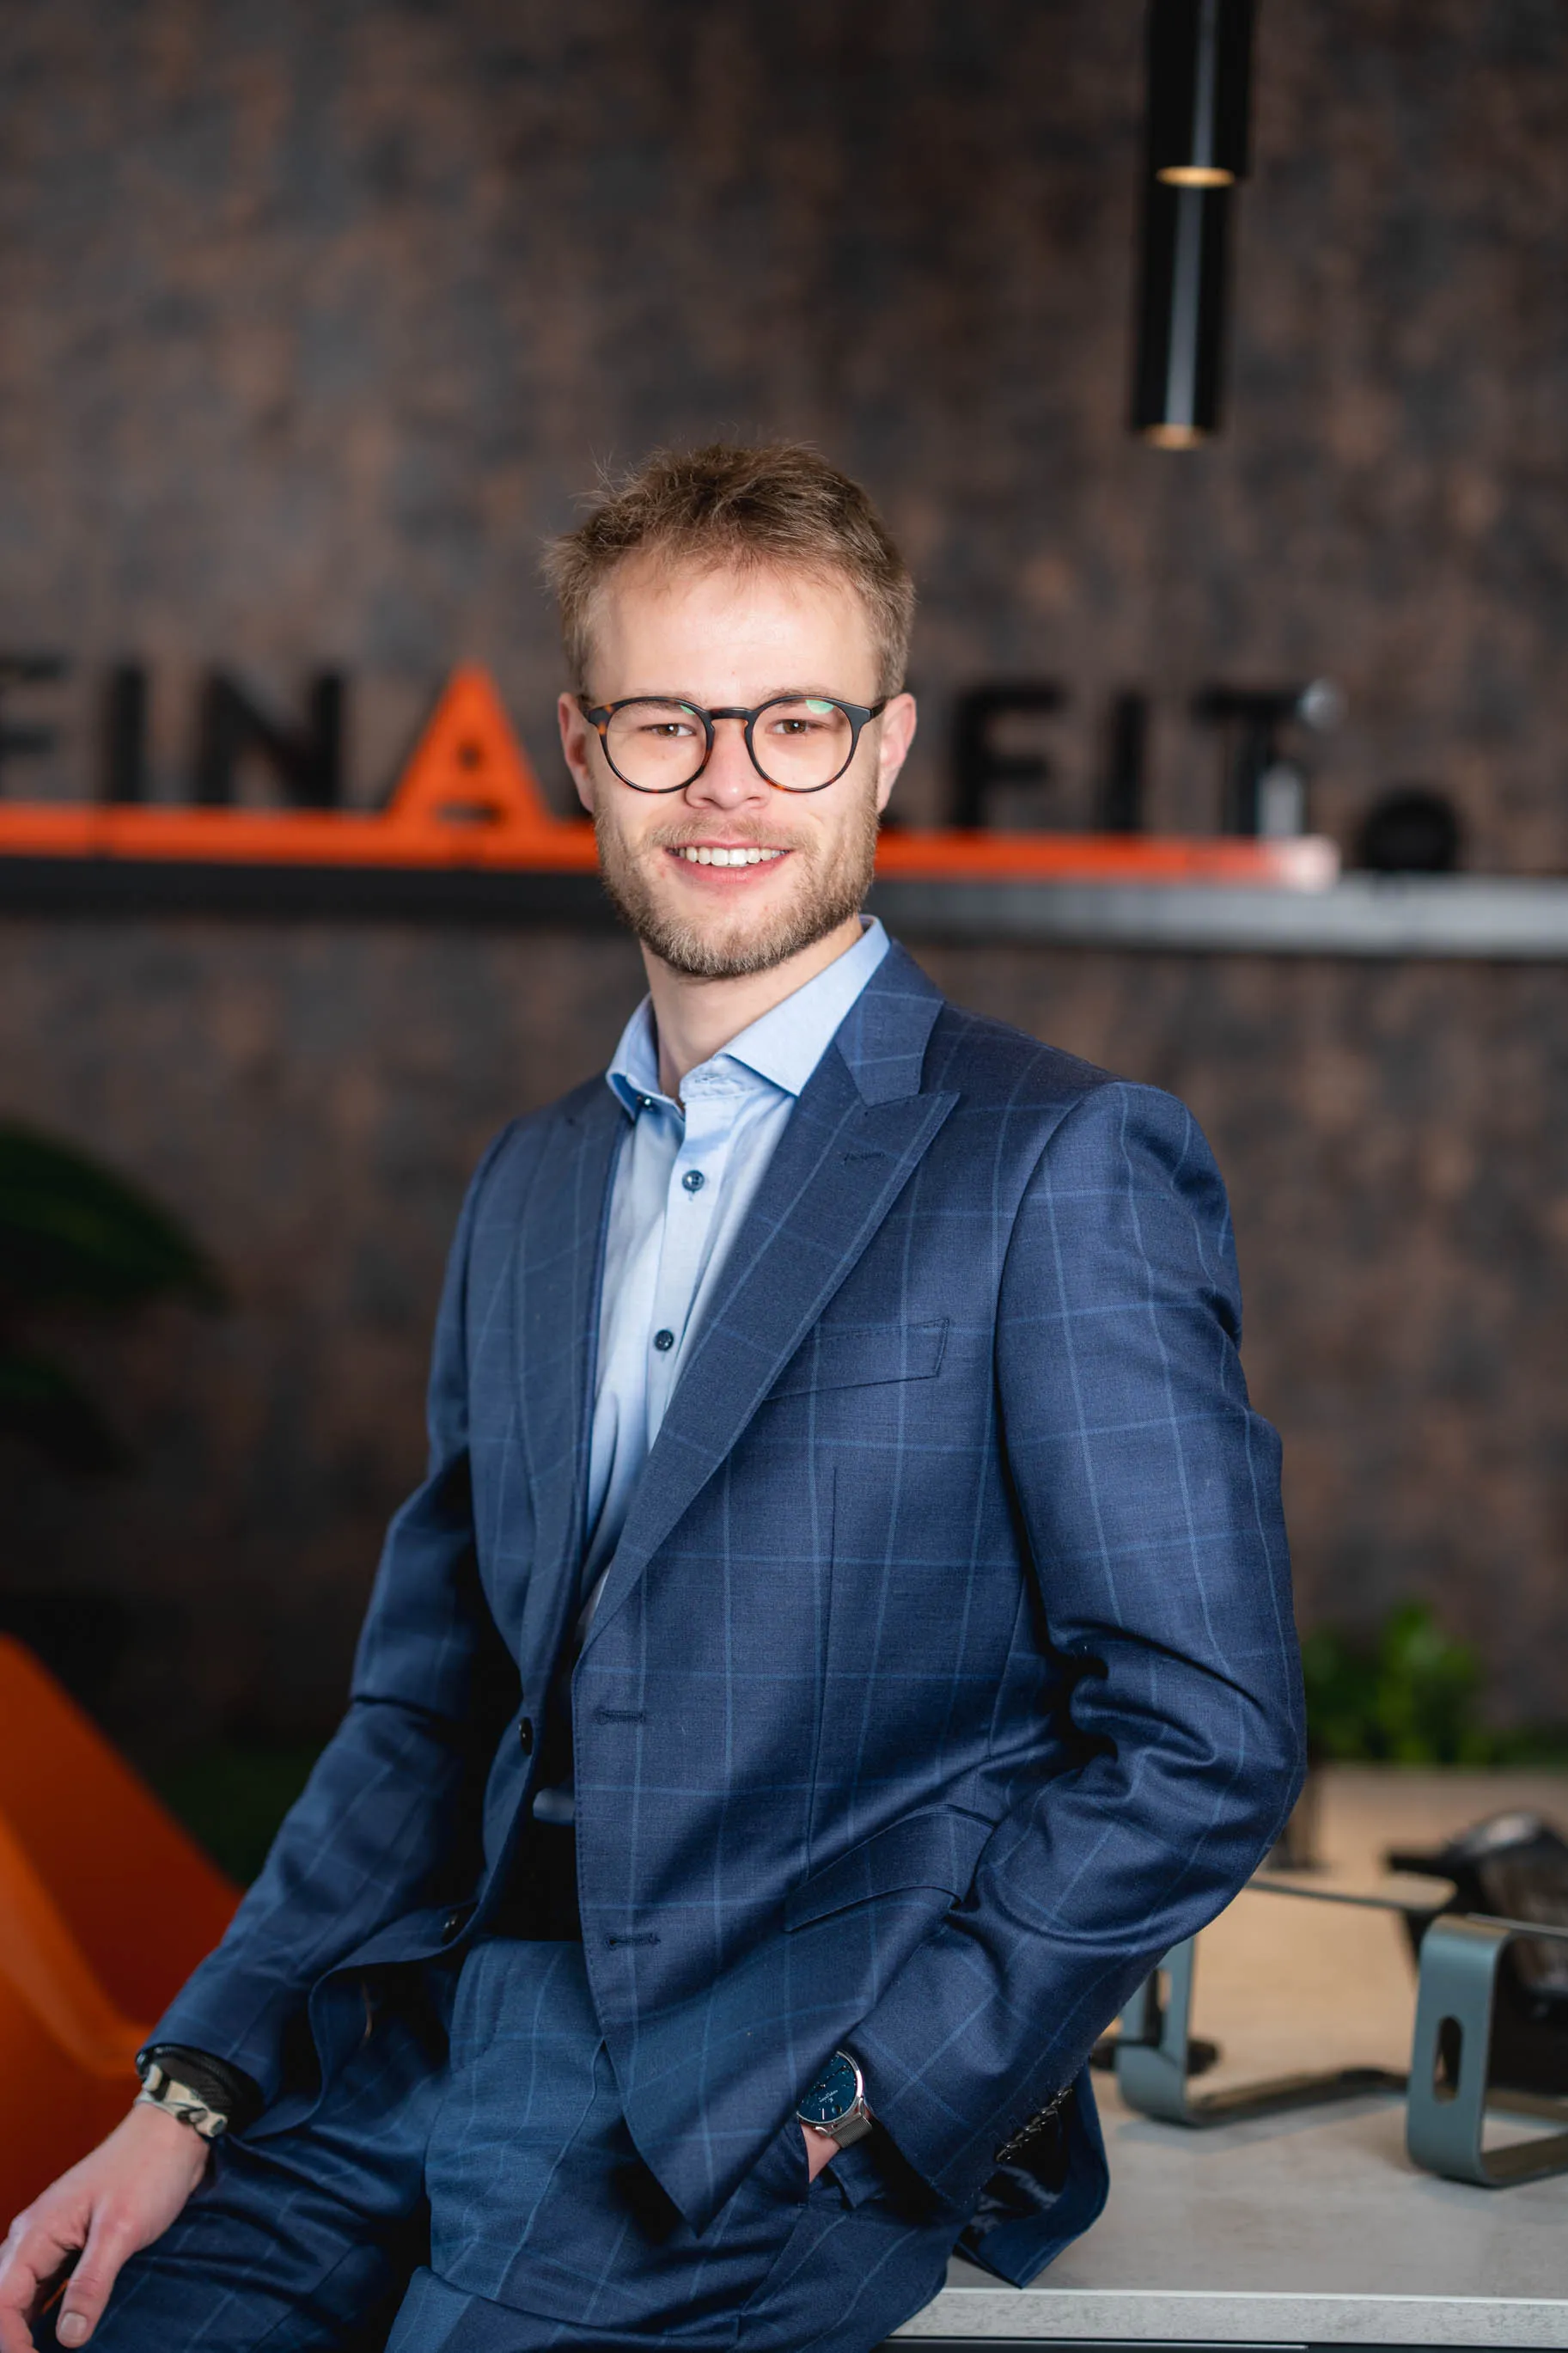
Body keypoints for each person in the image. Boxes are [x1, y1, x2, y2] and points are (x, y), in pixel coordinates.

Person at [0, 443, 1304, 2353]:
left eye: (793, 722)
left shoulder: (1060, 1161)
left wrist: (877, 2099)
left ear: (887, 748)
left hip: (740, 2106)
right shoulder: (531, 1185)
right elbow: (424, 1705)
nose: (725, 784)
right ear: (579, 747)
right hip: (407, 2045)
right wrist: (190, 2090)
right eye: (667, 722)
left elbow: (1207, 1729)